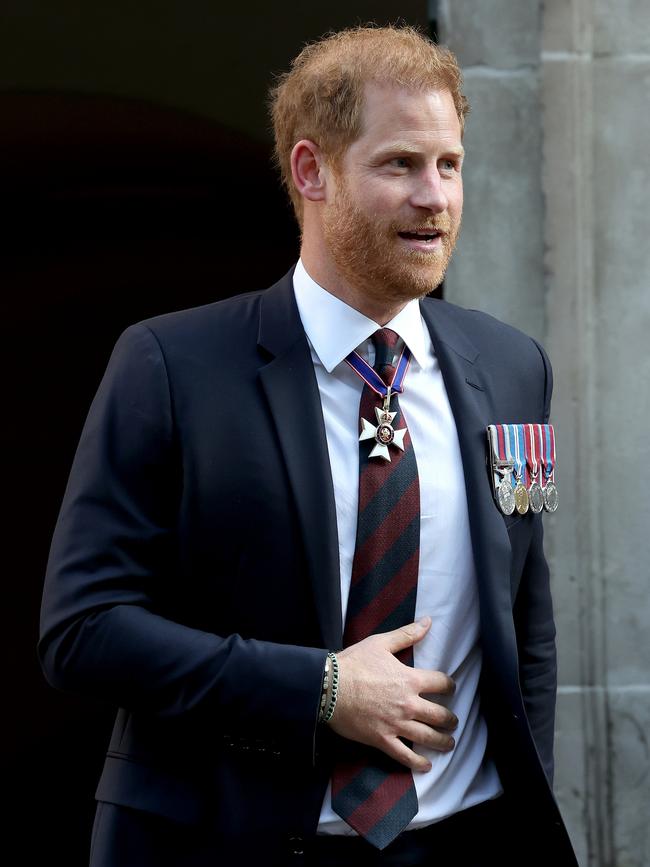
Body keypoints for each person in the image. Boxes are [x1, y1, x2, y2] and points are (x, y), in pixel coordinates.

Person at [39, 25, 578, 867]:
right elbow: (82, 631)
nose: (434, 196)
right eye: (400, 164)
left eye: (450, 164)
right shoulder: (172, 367)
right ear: (310, 170)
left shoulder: (512, 367)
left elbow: (526, 627)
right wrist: (321, 688)